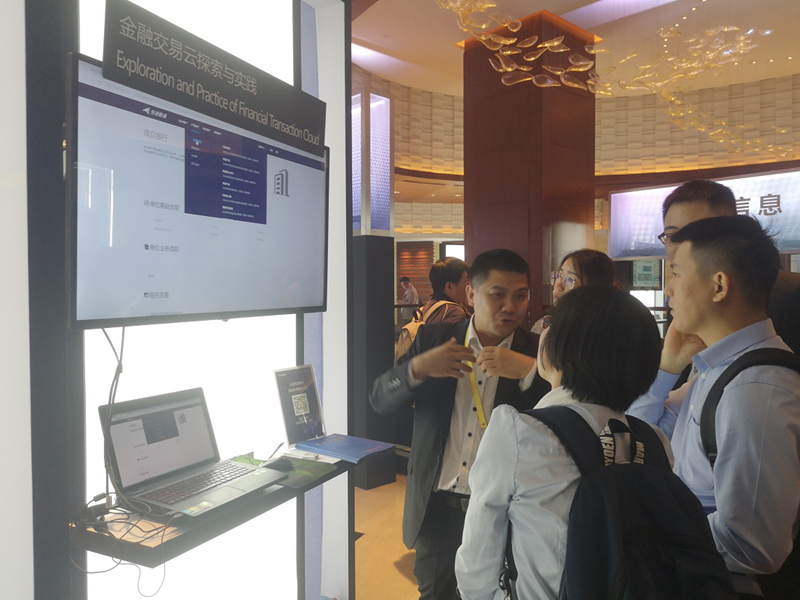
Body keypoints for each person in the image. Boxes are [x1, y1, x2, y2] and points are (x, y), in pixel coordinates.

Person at [456, 286, 666, 600]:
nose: (543, 331)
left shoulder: (518, 432)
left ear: (564, 349)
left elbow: (478, 561)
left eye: (551, 326)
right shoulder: (653, 441)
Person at [628, 215, 800, 597]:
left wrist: (648, 532)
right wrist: (666, 369)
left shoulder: (754, 390)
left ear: (719, 285)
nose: (668, 289)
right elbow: (639, 436)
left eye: (676, 273)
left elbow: (754, 545)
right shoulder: (714, 370)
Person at [370, 249, 551, 600]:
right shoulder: (433, 340)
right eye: (497, 294)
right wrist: (418, 368)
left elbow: (558, 417)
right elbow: (379, 399)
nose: (511, 307)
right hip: (438, 507)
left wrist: (530, 371)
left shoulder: (539, 353)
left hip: (508, 510)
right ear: (470, 293)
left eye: (520, 295)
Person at [658, 179, 800, 353]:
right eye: (672, 235)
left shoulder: (789, 292)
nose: (684, 244)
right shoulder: (678, 295)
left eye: (699, 233)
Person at [532, 248, 616, 334]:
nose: (558, 285)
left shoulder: (606, 332)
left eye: (569, 279)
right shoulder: (544, 327)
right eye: (560, 275)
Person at [419, 257, 471, 324]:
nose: (468, 286)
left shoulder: (427, 307)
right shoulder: (454, 312)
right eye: (465, 282)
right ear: (449, 287)